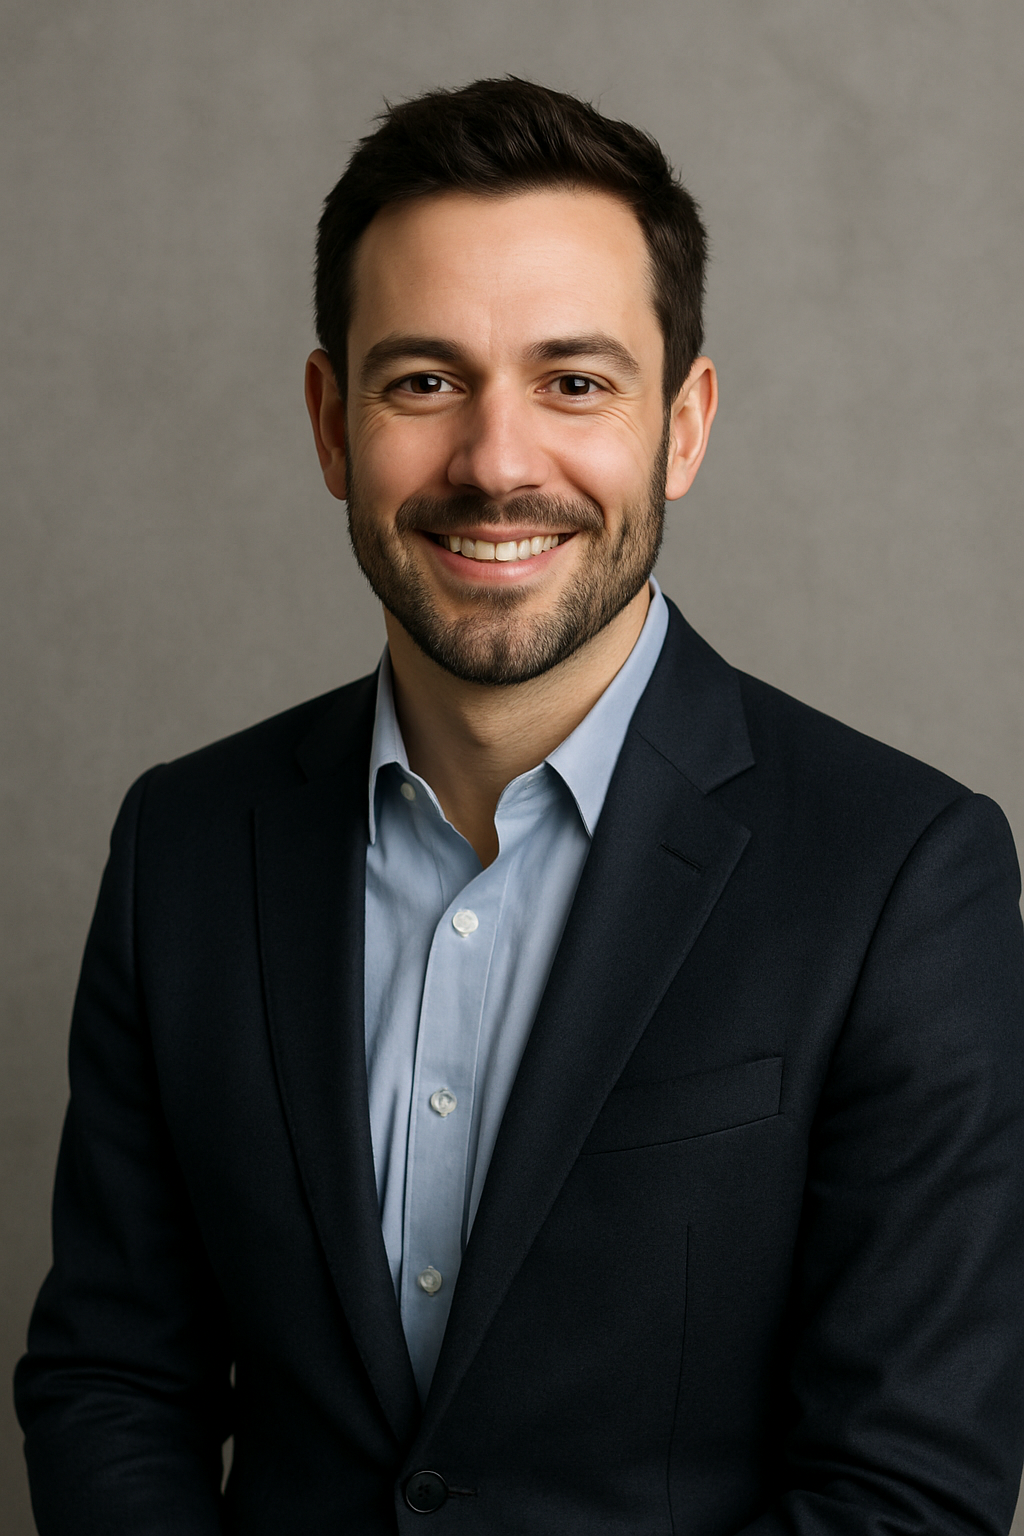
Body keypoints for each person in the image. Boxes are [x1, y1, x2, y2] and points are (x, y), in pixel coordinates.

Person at [14, 76, 1024, 1536]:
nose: (497, 462)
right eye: (425, 380)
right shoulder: (183, 846)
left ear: (682, 425)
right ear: (329, 422)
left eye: (575, 382)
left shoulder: (900, 879)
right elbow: (116, 1380)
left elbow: (906, 1495)